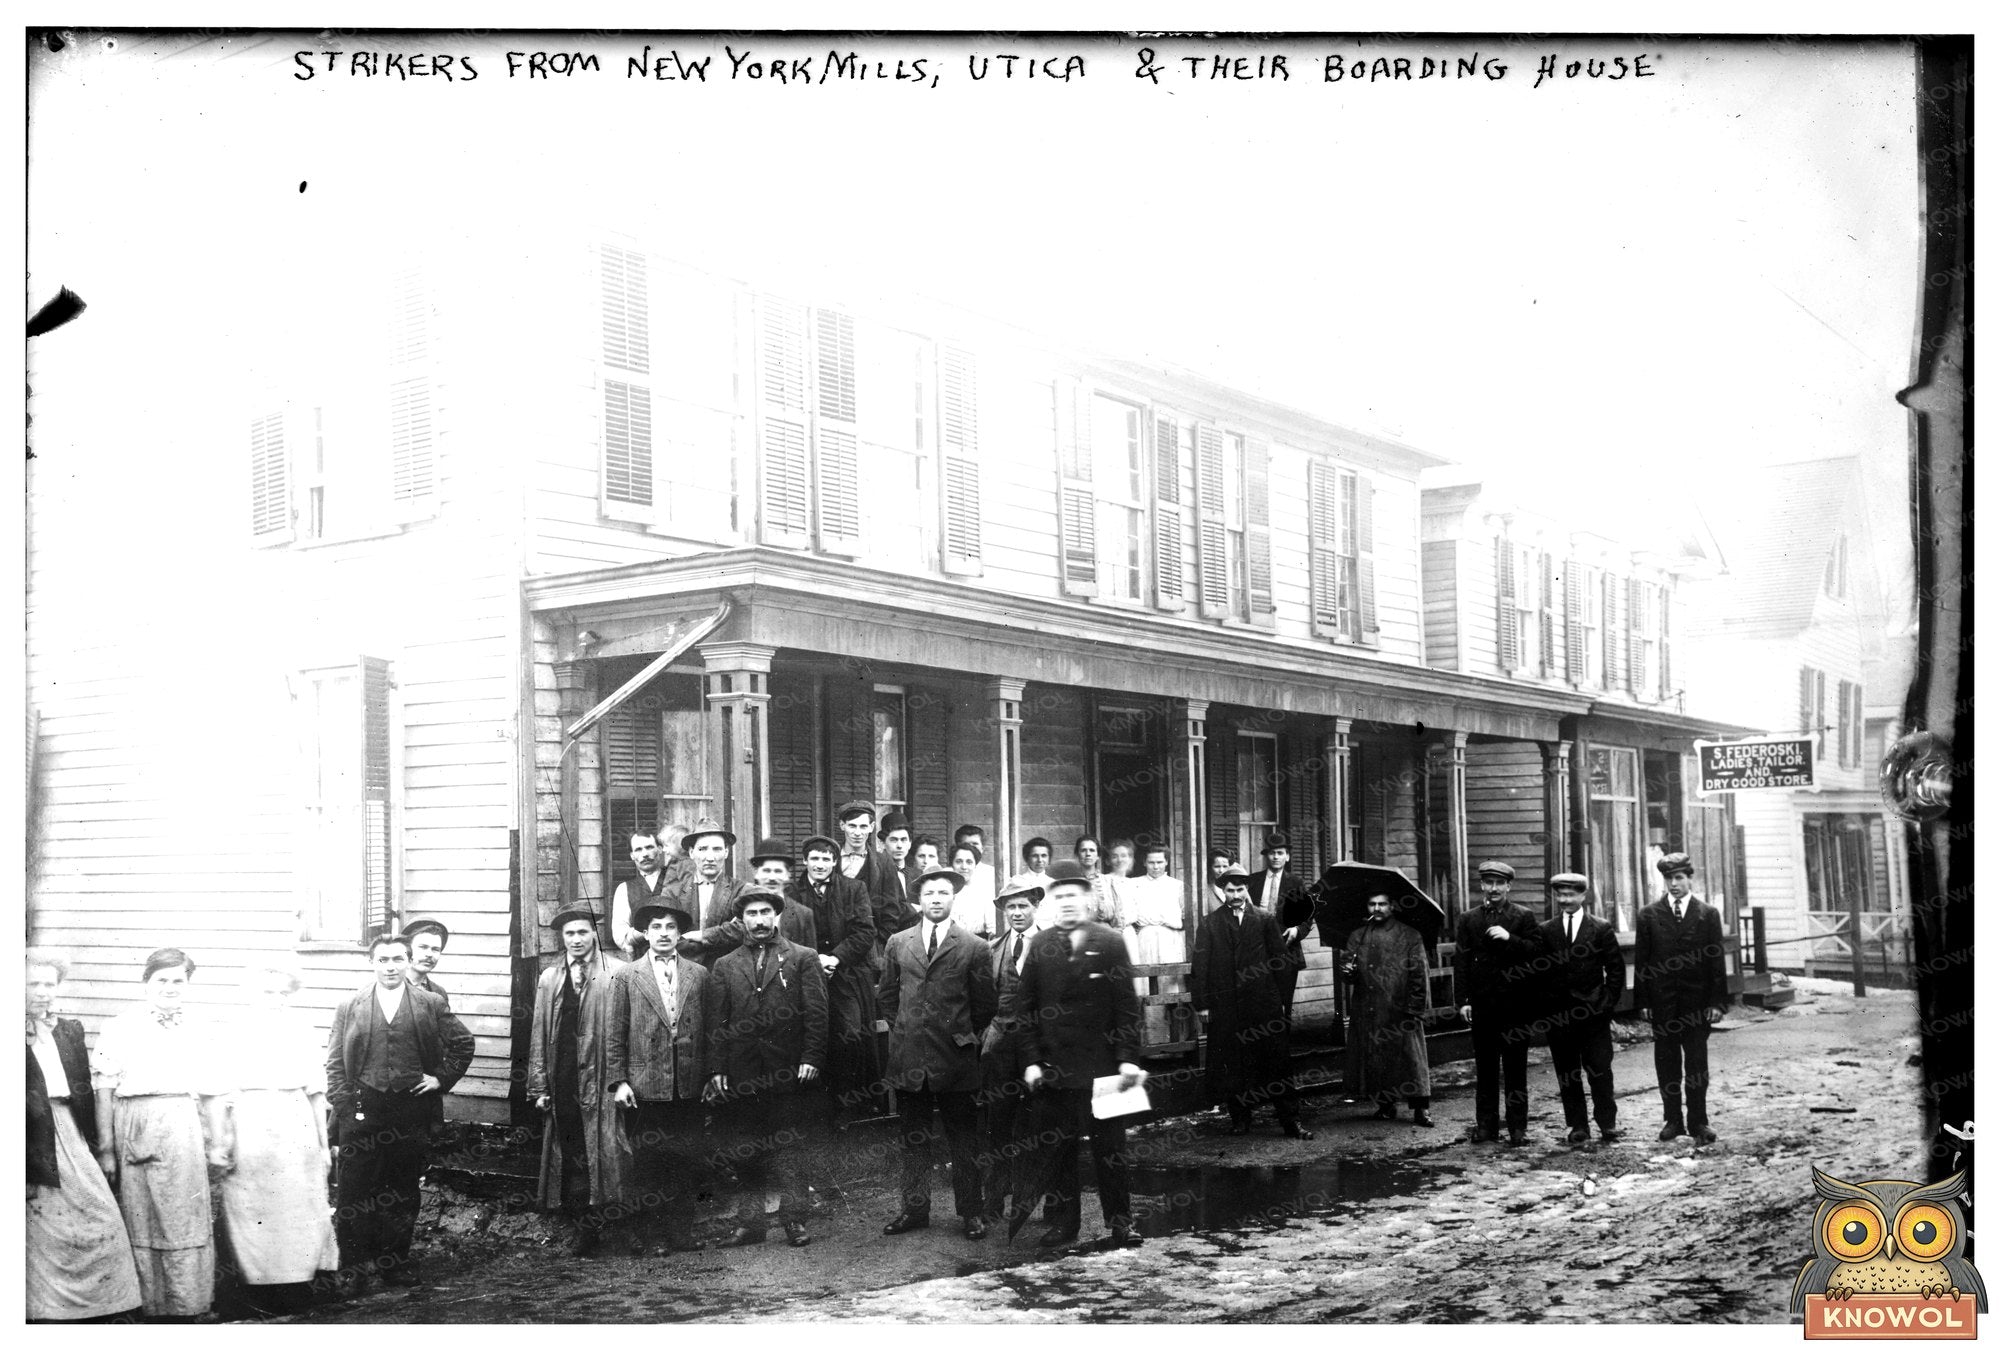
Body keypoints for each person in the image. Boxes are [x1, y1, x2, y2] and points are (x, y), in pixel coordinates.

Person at [325, 933, 475, 1293]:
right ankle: (355, 1267)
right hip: (363, 1109)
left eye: (397, 959)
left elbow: (463, 1043)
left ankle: (394, 1264)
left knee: (402, 1187)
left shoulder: (429, 1002)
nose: (390, 967)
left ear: (408, 961)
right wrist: (345, 1105)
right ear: (372, 962)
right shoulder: (350, 1005)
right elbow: (333, 1062)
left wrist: (440, 1079)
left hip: (409, 1108)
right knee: (354, 1188)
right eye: (382, 960)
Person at [1011, 861, 1144, 1248]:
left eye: (1073, 895)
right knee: (1059, 1151)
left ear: (1087, 900)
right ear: (1050, 902)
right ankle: (1065, 1225)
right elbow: (1026, 1010)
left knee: (1111, 1150)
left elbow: (1126, 1007)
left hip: (1104, 1070)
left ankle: (1121, 1222)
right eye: (1059, 896)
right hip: (1056, 1070)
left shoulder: (1110, 941)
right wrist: (1033, 1061)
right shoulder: (1041, 944)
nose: (1066, 903)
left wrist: (1128, 1058)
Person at [92, 947, 222, 1318]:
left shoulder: (200, 1025)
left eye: (178, 980)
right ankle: (147, 1303)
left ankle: (189, 1302)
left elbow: (213, 1086)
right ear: (146, 982)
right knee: (142, 1211)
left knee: (185, 1210)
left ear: (188, 984)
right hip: (136, 1118)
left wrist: (218, 1140)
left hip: (181, 1119)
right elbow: (103, 1089)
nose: (170, 987)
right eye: (161, 980)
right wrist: (106, 1149)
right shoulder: (120, 1026)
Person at [703, 886, 829, 1248]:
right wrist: (717, 1069)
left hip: (789, 1071)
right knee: (746, 1149)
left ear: (777, 916)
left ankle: (795, 1221)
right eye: (751, 914)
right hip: (742, 1073)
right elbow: (718, 1023)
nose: (759, 920)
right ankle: (750, 1223)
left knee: (789, 1149)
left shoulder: (802, 957)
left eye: (765, 913)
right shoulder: (726, 965)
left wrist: (811, 1058)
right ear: (741, 920)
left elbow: (818, 1016)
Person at [878, 868, 999, 1240]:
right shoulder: (898, 942)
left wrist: (960, 1035)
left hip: (956, 1058)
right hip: (910, 1056)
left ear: (953, 898)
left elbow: (984, 1004)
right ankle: (914, 1210)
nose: (935, 899)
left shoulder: (974, 947)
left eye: (943, 893)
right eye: (928, 893)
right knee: (913, 1138)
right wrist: (907, 1029)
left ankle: (971, 1212)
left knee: (964, 1139)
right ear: (918, 899)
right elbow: (886, 995)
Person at [213, 962, 338, 1314]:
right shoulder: (232, 1030)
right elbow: (221, 1090)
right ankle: (256, 1290)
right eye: (268, 992)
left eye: (284, 993)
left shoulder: (300, 1028)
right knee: (253, 1203)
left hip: (294, 1115)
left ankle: (297, 1283)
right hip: (250, 1117)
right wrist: (223, 1138)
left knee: (298, 1202)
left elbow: (315, 1090)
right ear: (251, 994)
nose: (277, 1000)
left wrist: (322, 1144)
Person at [26, 949, 142, 1323]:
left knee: (101, 1215)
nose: (43, 992)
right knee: (45, 1227)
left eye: (50, 984)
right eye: (33, 984)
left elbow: (82, 1090)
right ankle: (49, 1312)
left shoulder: (67, 1029)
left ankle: (101, 1307)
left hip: (70, 1131)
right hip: (30, 1136)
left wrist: (97, 1144)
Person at [605, 902, 708, 1253]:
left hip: (687, 1084)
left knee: (685, 1159)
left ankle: (682, 1232)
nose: (664, 933)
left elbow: (709, 1031)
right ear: (645, 934)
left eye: (670, 927)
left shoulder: (699, 974)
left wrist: (707, 1076)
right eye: (656, 927)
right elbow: (615, 1033)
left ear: (679, 934)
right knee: (650, 1163)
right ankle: (653, 1235)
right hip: (645, 1087)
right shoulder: (626, 976)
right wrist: (619, 1082)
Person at [527, 905, 629, 1255]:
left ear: (594, 934)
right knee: (571, 1150)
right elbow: (538, 1033)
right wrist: (539, 1086)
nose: (575, 939)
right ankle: (583, 1229)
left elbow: (624, 1031)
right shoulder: (550, 978)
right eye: (569, 933)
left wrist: (621, 1079)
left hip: (602, 1078)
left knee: (604, 1147)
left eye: (582, 932)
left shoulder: (616, 973)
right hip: (564, 1079)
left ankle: (612, 1224)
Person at [1190, 868, 1313, 1140]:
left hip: (1262, 1005)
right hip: (1227, 1007)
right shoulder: (1210, 923)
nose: (1235, 896)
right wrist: (1202, 1004)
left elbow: (1280, 962)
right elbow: (1200, 965)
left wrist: (1280, 1002)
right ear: (1223, 891)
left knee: (1277, 1064)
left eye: (1240, 890)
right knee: (1234, 1064)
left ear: (1247, 889)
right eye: (1230, 891)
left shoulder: (1265, 919)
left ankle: (1291, 1121)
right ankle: (1240, 1118)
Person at [773, 834, 879, 1120]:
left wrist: (835, 958)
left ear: (835, 861)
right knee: (806, 1035)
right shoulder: (792, 893)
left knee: (850, 1035)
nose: (820, 864)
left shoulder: (854, 889)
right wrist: (813, 959)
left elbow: (865, 932)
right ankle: (810, 1108)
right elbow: (786, 934)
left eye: (826, 858)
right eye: (814, 858)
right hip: (803, 973)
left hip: (845, 975)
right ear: (805, 861)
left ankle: (847, 1105)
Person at [1454, 860, 1551, 1147]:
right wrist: (1463, 1001)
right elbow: (1461, 964)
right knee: (1484, 1070)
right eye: (1488, 882)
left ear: (1509, 886)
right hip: (1483, 1007)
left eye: (1499, 883)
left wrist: (1510, 938)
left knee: (1515, 1069)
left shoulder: (1523, 917)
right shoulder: (1468, 919)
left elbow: (1538, 954)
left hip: (1515, 1008)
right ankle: (1485, 1127)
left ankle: (1517, 1128)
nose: (1493, 888)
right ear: (1481, 885)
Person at [1634, 853, 1729, 1145]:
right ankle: (1672, 1120)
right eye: (1668, 879)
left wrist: (1716, 1003)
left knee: (1697, 1065)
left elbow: (1716, 961)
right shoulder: (1649, 915)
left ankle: (1698, 1121)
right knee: (1667, 1063)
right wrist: (1644, 1002)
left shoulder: (1707, 914)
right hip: (1663, 1004)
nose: (1673, 884)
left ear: (1690, 879)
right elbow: (1642, 962)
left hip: (1697, 1005)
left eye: (1678, 878)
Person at [1540, 872, 1625, 1146]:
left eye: (1571, 894)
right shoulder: (1547, 930)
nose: (1565, 900)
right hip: (1560, 1017)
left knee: (1600, 1070)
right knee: (1568, 1073)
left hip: (1593, 1016)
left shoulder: (1600, 928)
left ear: (1582, 896)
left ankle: (1607, 1123)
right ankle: (1577, 1125)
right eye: (1560, 895)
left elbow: (1615, 970)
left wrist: (1605, 1005)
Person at [977, 883, 1043, 1228]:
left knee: (1037, 1125)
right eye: (1010, 908)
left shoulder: (1051, 945)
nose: (1016, 913)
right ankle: (993, 1199)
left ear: (1035, 907)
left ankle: (1031, 1201)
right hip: (1000, 1048)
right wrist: (988, 1033)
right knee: (996, 1125)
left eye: (1022, 906)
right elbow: (983, 999)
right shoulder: (993, 949)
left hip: (1039, 1049)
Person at [1338, 896, 1434, 1127]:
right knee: (1376, 1056)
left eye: (1382, 904)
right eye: (1372, 904)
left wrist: (1414, 1007)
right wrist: (1348, 970)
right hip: (1369, 1006)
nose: (1377, 908)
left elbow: (1419, 973)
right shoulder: (1358, 935)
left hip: (1400, 1007)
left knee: (1412, 1060)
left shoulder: (1409, 935)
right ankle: (1385, 1104)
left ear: (1392, 906)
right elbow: (1347, 975)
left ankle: (1421, 1109)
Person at [677, 837, 819, 962]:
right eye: (766, 871)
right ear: (756, 872)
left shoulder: (803, 914)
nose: (771, 877)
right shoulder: (743, 904)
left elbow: (810, 959)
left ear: (788, 874)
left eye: (778, 871)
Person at [1122, 844, 1188, 1044]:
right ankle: (1152, 1043)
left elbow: (1184, 916)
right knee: (1148, 989)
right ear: (1144, 863)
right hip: (1145, 939)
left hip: (1170, 940)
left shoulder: (1177, 885)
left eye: (1160, 862)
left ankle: (1177, 1042)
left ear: (1167, 861)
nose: (1156, 866)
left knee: (1171, 988)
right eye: (1151, 862)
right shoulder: (1134, 884)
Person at [1249, 832, 1315, 1023]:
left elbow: (1308, 917)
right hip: (1256, 951)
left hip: (1286, 951)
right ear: (1265, 856)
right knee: (1257, 1002)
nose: (1276, 857)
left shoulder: (1296, 883)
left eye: (1280, 853)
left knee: (1283, 1003)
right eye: (1271, 853)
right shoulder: (1252, 881)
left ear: (1287, 856)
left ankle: (1281, 1050)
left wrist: (1296, 930)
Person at [663, 819, 744, 962]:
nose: (710, 857)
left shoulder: (739, 890)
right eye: (702, 849)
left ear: (726, 852)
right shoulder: (673, 893)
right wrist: (722, 937)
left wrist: (701, 936)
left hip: (726, 973)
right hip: (684, 971)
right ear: (691, 852)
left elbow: (742, 930)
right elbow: (666, 934)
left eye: (717, 849)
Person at [610, 829, 677, 958]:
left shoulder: (676, 880)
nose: (645, 854)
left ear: (659, 849)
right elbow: (620, 934)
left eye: (649, 847)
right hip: (642, 960)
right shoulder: (624, 889)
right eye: (638, 849)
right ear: (632, 855)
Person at [948, 840, 998, 939]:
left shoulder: (985, 891)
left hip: (979, 941)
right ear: (952, 864)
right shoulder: (945, 891)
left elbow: (992, 927)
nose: (964, 867)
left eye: (969, 862)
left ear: (975, 865)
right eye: (958, 861)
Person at [400, 918, 452, 1004]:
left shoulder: (439, 993)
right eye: (423, 947)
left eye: (435, 949)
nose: (429, 954)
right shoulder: (389, 987)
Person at [1012, 837, 1057, 923]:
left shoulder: (1054, 884)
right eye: (1035, 856)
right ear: (1027, 858)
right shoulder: (1018, 882)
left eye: (1044, 856)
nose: (1040, 860)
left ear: (1049, 859)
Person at [1095, 837, 1137, 927]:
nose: (1120, 860)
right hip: (1111, 930)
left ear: (1130, 859)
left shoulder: (1133, 883)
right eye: (1114, 857)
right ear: (1108, 861)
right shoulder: (1103, 881)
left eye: (1124, 856)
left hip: (1130, 931)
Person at [953, 824, 999, 898]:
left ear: (982, 848)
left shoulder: (992, 874)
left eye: (975, 844)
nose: (971, 848)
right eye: (966, 844)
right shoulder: (948, 873)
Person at [1205, 847, 1237, 918]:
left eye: (1225, 866)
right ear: (1210, 868)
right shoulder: (1206, 890)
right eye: (1217, 866)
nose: (1221, 870)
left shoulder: (1238, 888)